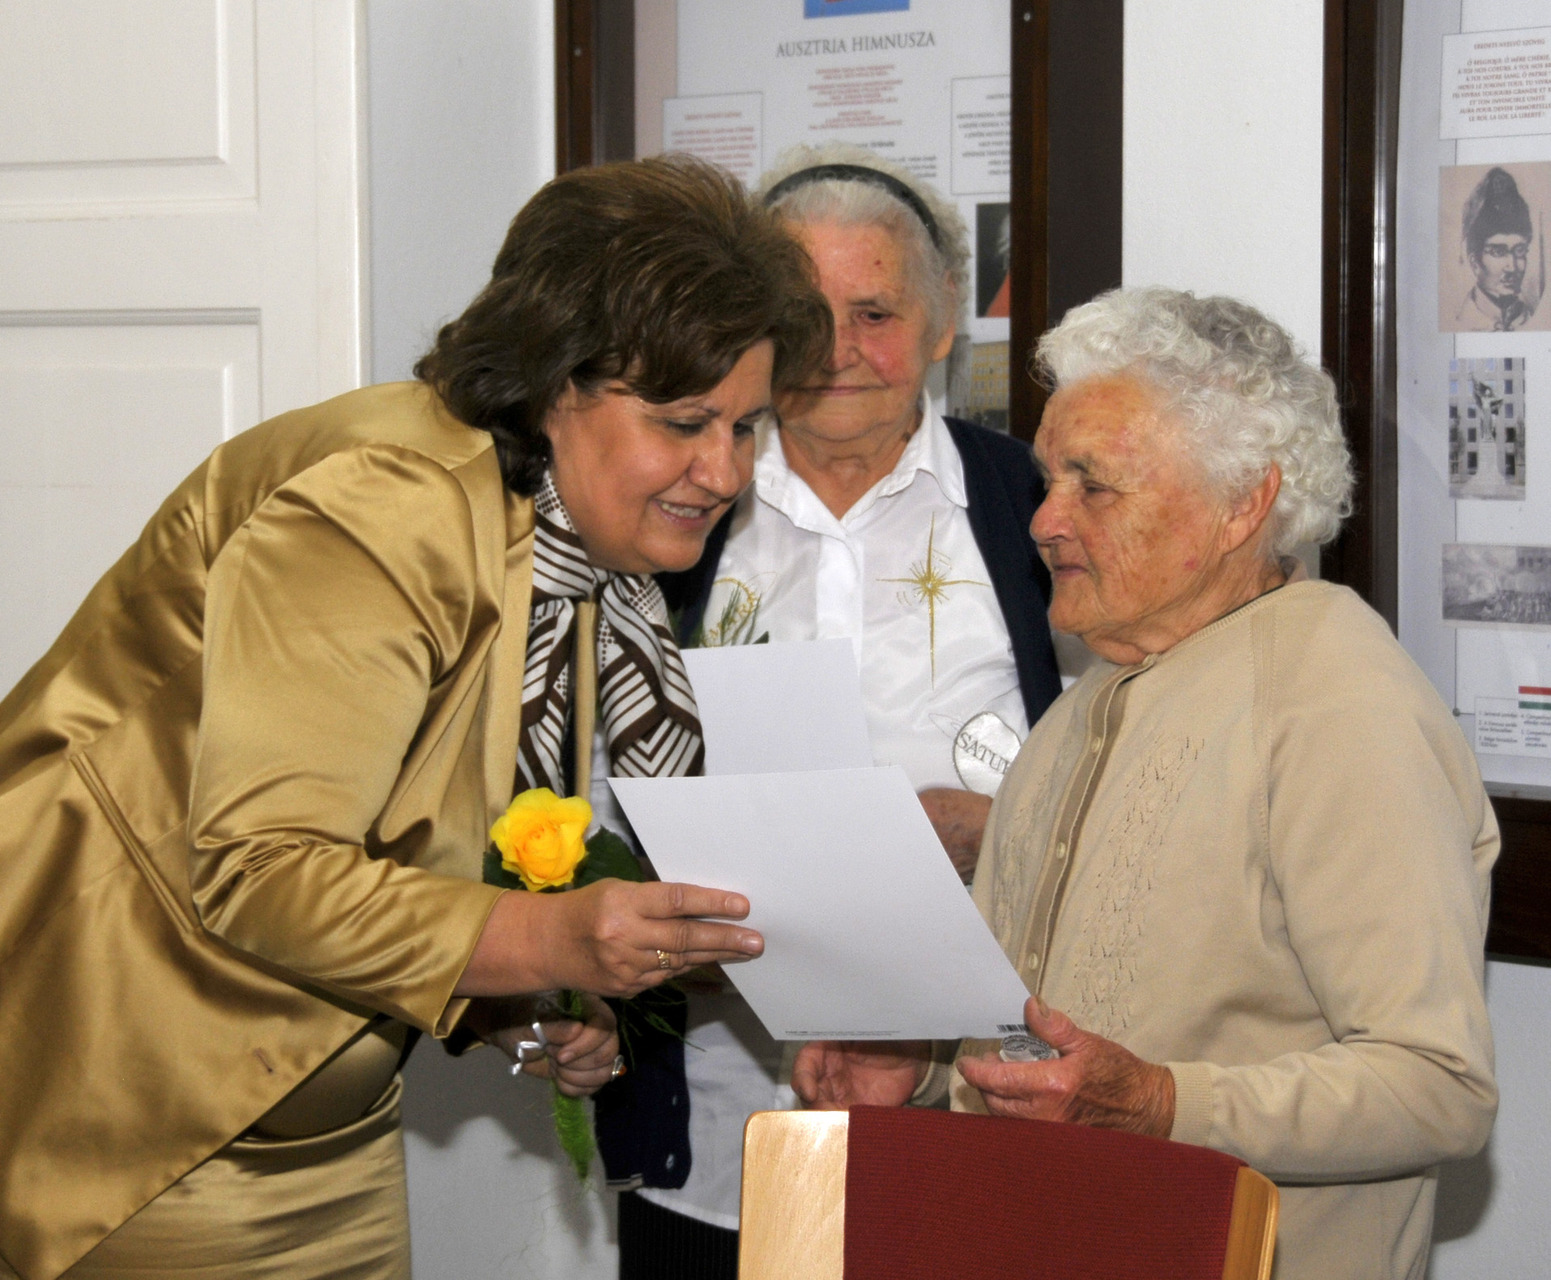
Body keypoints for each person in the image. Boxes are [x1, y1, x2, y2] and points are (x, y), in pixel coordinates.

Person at [0, 155, 832, 1280]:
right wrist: (551, 938)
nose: (723, 471)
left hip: (316, 1118)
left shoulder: (572, 545)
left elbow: (401, 836)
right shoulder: (382, 502)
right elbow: (263, 869)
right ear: (555, 382)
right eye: (685, 422)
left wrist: (510, 998)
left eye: (745, 426)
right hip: (131, 1126)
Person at [793, 288, 1499, 1280]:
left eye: (1094, 485)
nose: (1044, 520)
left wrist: (1166, 1104)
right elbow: (1052, 1032)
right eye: (1048, 479)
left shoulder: (1337, 702)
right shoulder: (1084, 704)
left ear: (1244, 502)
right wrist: (920, 1064)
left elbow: (1437, 1087)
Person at [598, 144, 1062, 1279]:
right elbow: (582, 772)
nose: (840, 348)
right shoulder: (665, 512)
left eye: (876, 313)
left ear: (943, 326)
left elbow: (1134, 777)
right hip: (719, 1139)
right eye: (806, 314)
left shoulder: (1044, 509)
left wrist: (1001, 829)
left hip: (986, 1115)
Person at [1455, 166, 1538, 331]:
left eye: (1519, 251)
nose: (1512, 267)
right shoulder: (1463, 321)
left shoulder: (1529, 318)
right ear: (1475, 263)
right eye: (1498, 252)